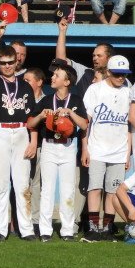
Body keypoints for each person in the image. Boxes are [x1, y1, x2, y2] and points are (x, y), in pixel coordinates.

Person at [0, 23, 38, 241]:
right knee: (1, 183)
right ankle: (0, 229)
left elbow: (31, 117)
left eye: (10, 62)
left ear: (17, 62)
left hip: (21, 133)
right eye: (2, 63)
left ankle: (26, 229)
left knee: (22, 183)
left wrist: (33, 141)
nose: (6, 66)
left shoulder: (25, 85)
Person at [26, 63, 87, 242]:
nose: (52, 78)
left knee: (68, 190)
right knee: (48, 190)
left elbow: (84, 125)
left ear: (67, 81)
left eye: (57, 75)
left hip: (68, 146)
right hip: (49, 146)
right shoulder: (46, 101)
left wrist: (69, 113)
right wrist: (41, 116)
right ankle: (45, 230)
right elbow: (30, 124)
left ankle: (67, 230)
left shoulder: (75, 101)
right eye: (53, 75)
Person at [80, 55, 132, 243]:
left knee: (113, 190)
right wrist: (85, 149)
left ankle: (108, 228)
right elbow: (86, 122)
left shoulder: (128, 90)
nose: (121, 78)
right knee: (94, 188)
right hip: (97, 148)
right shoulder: (95, 90)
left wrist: (128, 153)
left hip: (119, 150)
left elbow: (130, 126)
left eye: (124, 74)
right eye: (117, 74)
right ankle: (93, 228)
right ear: (108, 72)